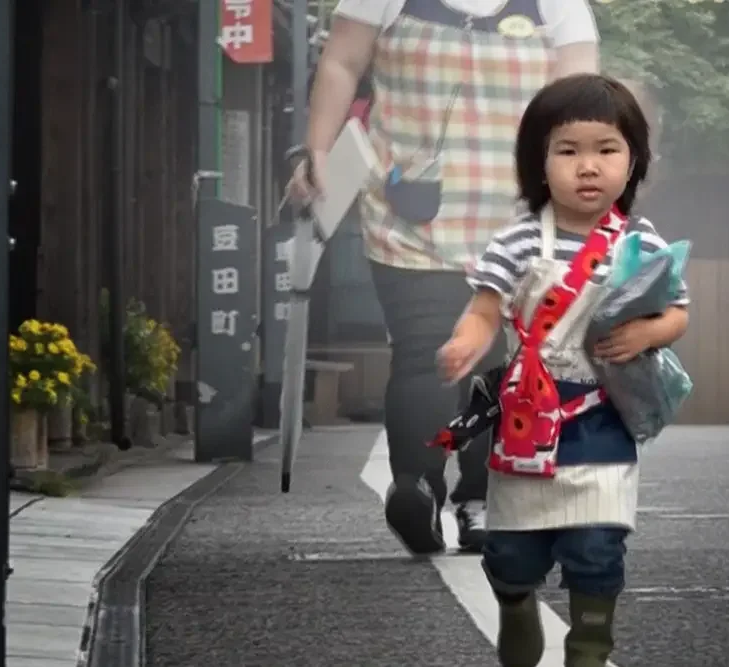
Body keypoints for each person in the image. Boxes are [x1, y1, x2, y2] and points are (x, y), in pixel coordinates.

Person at [289, 0, 603, 555]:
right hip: (411, 210)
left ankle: (481, 497)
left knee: (500, 361)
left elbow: (579, 103)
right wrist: (317, 148)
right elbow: (340, 63)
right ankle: (419, 488)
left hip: (520, 219)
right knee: (425, 349)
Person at [437, 74, 691, 667]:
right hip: (527, 420)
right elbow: (485, 307)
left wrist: (649, 332)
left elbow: (678, 311)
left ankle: (589, 647)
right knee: (512, 555)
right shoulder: (520, 240)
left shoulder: (640, 240)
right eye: (568, 150)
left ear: (633, 161)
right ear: (539, 162)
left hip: (602, 421)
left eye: (607, 149)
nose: (588, 167)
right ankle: (516, 606)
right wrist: (466, 342)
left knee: (599, 549)